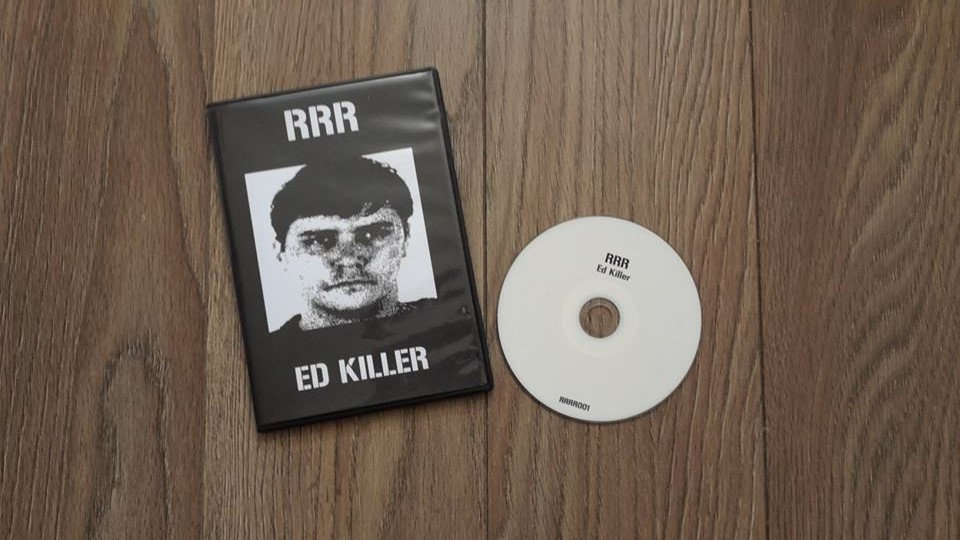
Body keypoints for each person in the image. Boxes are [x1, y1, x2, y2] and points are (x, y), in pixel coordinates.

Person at [270, 156, 422, 332]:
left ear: (406, 238)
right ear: (281, 253)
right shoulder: (268, 347)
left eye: (372, 234)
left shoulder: (443, 321)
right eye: (320, 241)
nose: (349, 260)